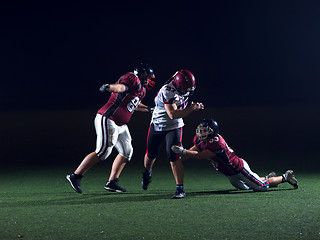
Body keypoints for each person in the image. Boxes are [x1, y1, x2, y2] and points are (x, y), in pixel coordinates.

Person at [66, 63, 156, 193]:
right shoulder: (132, 79)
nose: (149, 80)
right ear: (142, 75)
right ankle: (75, 175)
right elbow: (120, 87)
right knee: (103, 152)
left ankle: (112, 182)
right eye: (148, 77)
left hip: (121, 124)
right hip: (108, 118)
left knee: (127, 152)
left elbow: (133, 103)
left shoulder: (142, 90)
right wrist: (109, 87)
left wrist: (148, 109)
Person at [171, 119, 298, 191]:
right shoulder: (200, 140)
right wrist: (183, 154)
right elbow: (193, 151)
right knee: (246, 188)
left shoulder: (216, 142)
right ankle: (264, 177)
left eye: (205, 131)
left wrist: (184, 152)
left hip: (238, 168)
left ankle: (284, 177)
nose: (201, 133)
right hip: (230, 175)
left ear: (212, 132)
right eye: (200, 130)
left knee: (261, 187)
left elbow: (200, 155)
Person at [141, 69, 204, 199]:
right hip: (159, 123)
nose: (188, 91)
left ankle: (180, 188)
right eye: (185, 88)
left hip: (175, 126)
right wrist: (192, 108)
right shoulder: (168, 90)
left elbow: (177, 115)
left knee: (174, 155)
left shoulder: (182, 86)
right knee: (151, 154)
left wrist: (188, 107)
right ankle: (147, 173)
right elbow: (172, 114)